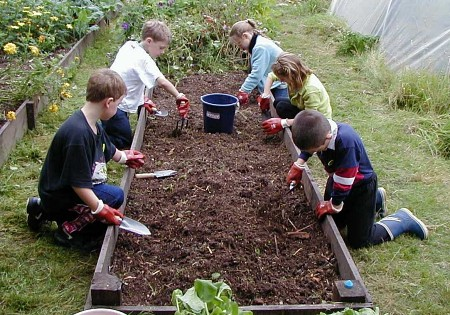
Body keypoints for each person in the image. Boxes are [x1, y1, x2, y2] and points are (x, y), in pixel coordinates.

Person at [26, 69, 146, 251]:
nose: (118, 109)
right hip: (60, 193)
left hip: (65, 189)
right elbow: (78, 185)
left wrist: (124, 157)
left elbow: (108, 147)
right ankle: (69, 231)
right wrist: (99, 209)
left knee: (109, 196)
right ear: (109, 102)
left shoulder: (92, 122)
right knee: (114, 196)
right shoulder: (78, 135)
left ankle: (43, 210)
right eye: (118, 104)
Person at [286, 110, 428, 249]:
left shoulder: (347, 142)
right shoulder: (320, 131)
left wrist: (334, 204)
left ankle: (403, 219)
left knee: (359, 240)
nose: (313, 153)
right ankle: (377, 199)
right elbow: (310, 145)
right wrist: (298, 165)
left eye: (316, 150)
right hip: (338, 179)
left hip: (360, 186)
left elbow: (344, 181)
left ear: (327, 137)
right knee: (335, 222)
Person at [103, 20, 190, 149]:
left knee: (112, 127)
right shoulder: (144, 60)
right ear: (149, 41)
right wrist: (179, 96)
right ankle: (97, 142)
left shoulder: (130, 45)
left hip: (107, 95)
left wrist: (141, 99)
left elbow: (129, 77)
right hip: (115, 106)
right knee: (124, 140)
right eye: (161, 48)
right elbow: (162, 82)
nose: (162, 52)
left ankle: (101, 130)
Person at [229, 19, 288, 112]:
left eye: (239, 43)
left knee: (280, 109)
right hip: (273, 78)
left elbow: (257, 74)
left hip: (280, 83)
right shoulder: (256, 43)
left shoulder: (260, 47)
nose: (240, 47)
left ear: (245, 36)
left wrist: (243, 91)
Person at [260, 52, 332, 128]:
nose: (281, 81)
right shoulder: (295, 77)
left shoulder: (311, 90)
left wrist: (284, 123)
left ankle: (296, 130)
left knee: (281, 107)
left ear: (291, 75)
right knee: (278, 103)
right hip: (304, 110)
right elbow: (271, 76)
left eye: (283, 79)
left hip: (318, 122)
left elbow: (310, 118)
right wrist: (266, 95)